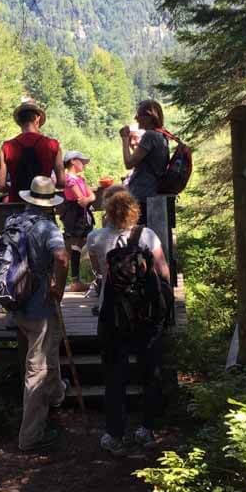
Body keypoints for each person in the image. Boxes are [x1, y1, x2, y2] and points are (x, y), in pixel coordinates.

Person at [87, 189, 171, 457]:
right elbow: (164, 271)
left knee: (114, 376)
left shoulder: (96, 238)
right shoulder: (147, 235)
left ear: (107, 212)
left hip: (112, 315)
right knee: (150, 373)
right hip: (146, 315)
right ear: (134, 209)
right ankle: (147, 430)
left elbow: (99, 273)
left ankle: (115, 435)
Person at [12, 175, 70, 452]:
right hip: (39, 304)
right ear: (50, 203)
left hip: (15, 301)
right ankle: (30, 437)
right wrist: (58, 286)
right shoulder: (48, 228)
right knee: (36, 367)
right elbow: (61, 257)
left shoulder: (13, 222)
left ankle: (55, 394)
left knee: (50, 345)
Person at [0, 99, 64, 203]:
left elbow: (1, 186)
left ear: (19, 121)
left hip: (16, 205)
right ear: (37, 119)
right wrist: (44, 188)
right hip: (43, 204)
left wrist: (15, 189)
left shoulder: (6, 147)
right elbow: (61, 183)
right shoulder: (53, 145)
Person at [120, 100, 170, 221]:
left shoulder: (150, 136)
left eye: (139, 115)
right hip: (152, 192)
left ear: (149, 116)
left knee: (137, 235)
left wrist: (125, 139)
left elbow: (129, 163)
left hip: (142, 194)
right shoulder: (162, 136)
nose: (136, 118)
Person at [60, 151, 96, 290]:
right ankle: (74, 281)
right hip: (74, 217)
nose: (84, 164)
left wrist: (87, 199)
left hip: (82, 217)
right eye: (81, 161)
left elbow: (90, 196)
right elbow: (81, 199)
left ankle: (77, 280)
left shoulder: (80, 179)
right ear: (73, 161)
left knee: (79, 246)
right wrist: (87, 199)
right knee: (74, 246)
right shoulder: (69, 179)